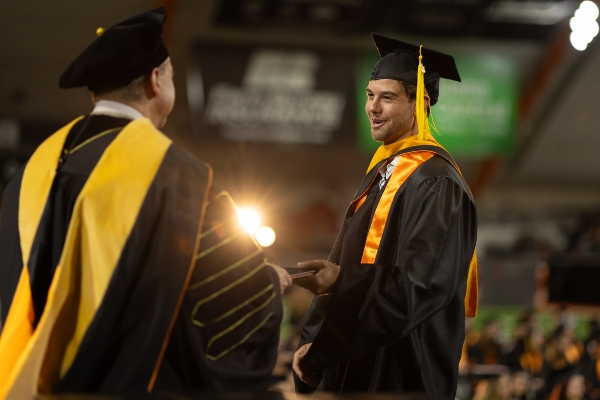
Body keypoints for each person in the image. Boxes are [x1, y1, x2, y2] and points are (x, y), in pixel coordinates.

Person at [0, 7, 290, 398]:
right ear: (156, 81)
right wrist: (270, 281)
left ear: (96, 91)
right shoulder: (175, 176)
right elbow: (231, 299)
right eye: (172, 74)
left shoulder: (33, 170)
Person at [292, 33, 478, 399]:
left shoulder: (438, 183)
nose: (373, 108)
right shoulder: (383, 173)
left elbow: (418, 288)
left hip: (403, 371)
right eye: (370, 95)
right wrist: (314, 344)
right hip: (361, 361)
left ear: (421, 103)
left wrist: (327, 345)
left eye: (387, 97)